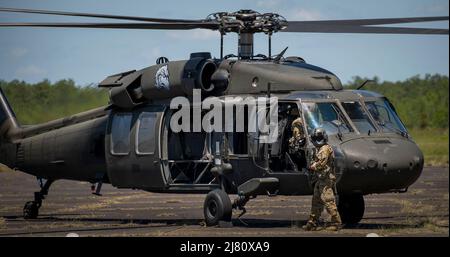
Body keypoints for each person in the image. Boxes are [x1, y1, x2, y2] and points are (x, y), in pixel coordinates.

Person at [303, 128, 342, 231]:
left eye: (319, 138)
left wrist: (312, 167)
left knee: (329, 201)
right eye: (316, 138)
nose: (318, 140)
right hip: (320, 179)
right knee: (316, 201)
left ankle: (336, 223)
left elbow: (321, 163)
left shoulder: (324, 149)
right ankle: (312, 223)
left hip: (326, 179)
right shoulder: (320, 148)